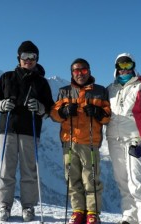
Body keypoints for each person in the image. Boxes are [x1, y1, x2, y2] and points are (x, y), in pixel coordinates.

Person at [0, 40, 54, 222]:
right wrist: (1, 105)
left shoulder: (41, 83)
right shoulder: (6, 77)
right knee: (6, 169)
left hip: (30, 130)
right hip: (8, 128)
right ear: (18, 58)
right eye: (25, 56)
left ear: (37, 59)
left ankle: (28, 206)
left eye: (32, 57)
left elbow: (50, 107)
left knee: (29, 170)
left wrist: (40, 107)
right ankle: (3, 206)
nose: (28, 60)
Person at [50, 58, 111, 224]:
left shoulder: (100, 91)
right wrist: (63, 112)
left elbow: (107, 117)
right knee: (72, 178)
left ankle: (92, 212)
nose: (80, 74)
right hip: (69, 142)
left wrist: (98, 112)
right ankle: (78, 211)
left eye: (83, 70)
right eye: (76, 71)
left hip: (90, 142)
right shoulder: (65, 92)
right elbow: (54, 114)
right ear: (72, 73)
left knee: (91, 179)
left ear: (89, 71)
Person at [106, 53, 141, 224]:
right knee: (122, 182)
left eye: (127, 65)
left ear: (133, 66)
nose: (124, 69)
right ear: (116, 68)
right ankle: (129, 218)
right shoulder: (110, 89)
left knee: (137, 182)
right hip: (114, 139)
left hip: (135, 140)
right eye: (121, 66)